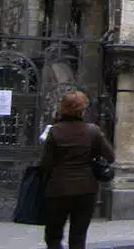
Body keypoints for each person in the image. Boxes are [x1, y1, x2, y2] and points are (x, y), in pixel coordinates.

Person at [38, 90, 115, 249]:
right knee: (79, 235)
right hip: (86, 189)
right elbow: (110, 156)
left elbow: (45, 163)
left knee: (53, 234)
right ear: (83, 109)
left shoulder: (55, 131)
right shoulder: (93, 131)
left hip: (58, 188)